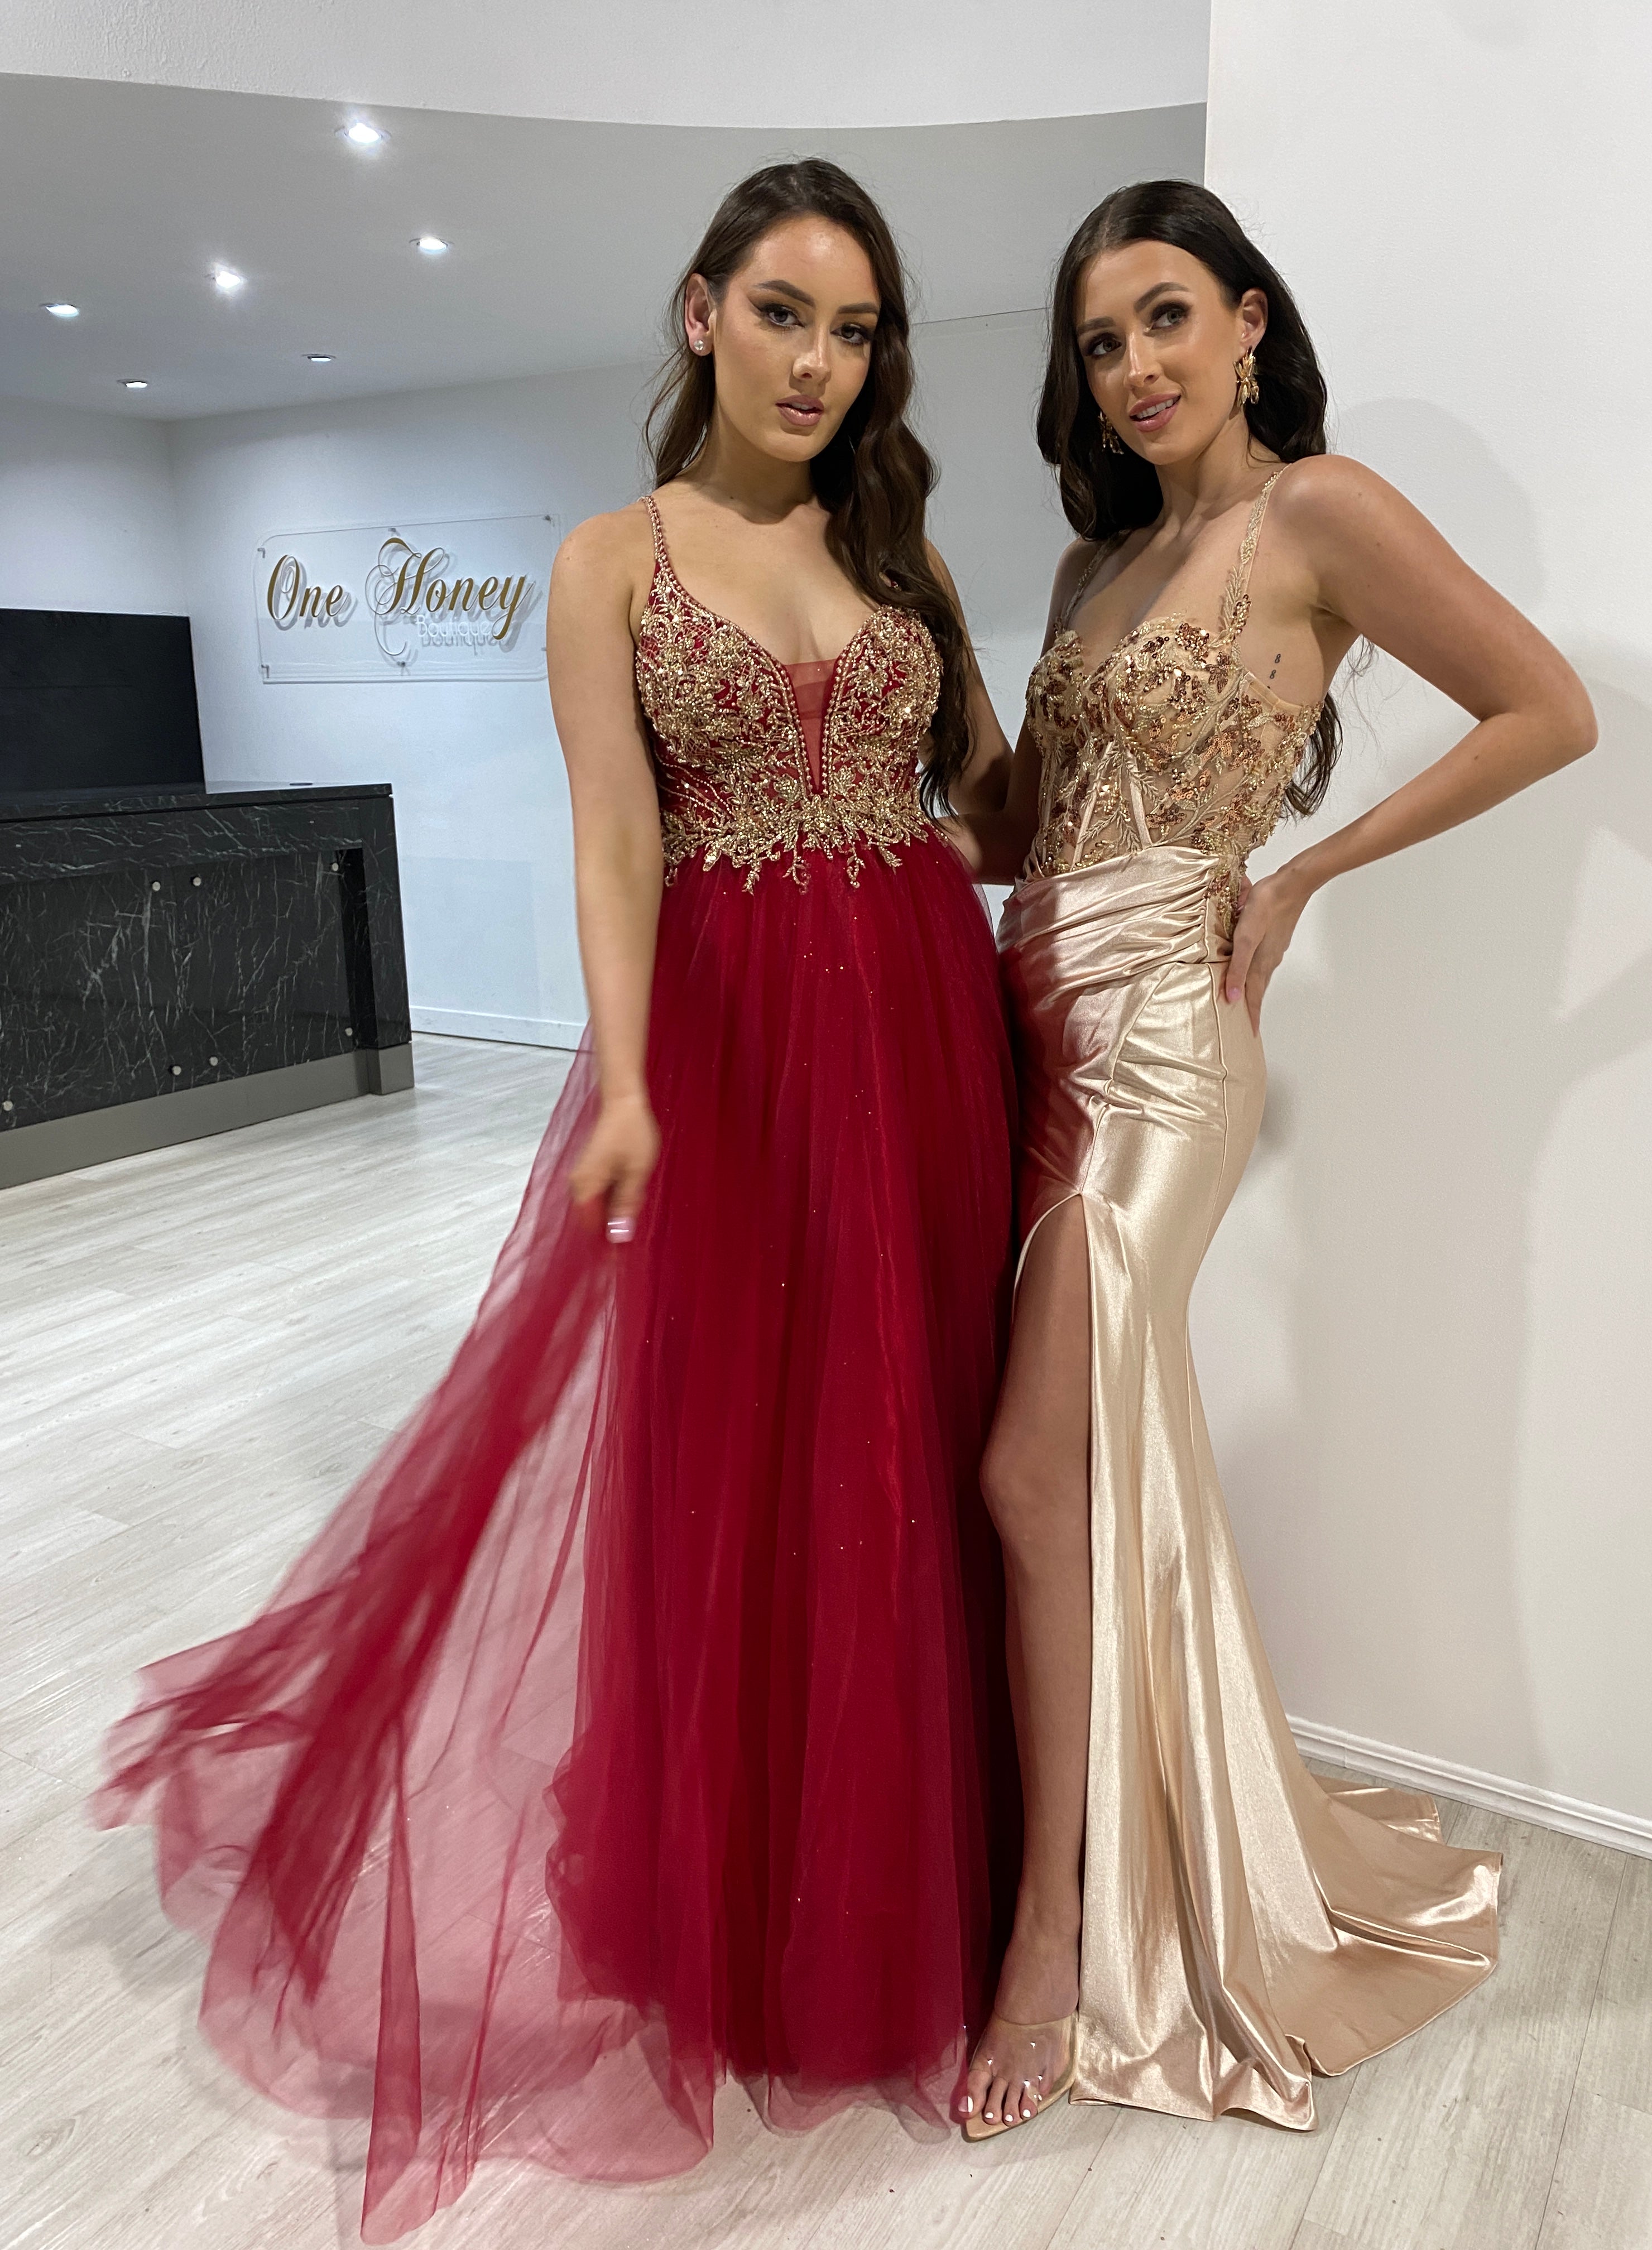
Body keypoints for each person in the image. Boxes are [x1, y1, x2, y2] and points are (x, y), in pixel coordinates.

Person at [94, 160, 1022, 2240]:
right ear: (701, 313)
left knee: (921, 1442)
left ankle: (927, 1878)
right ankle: (757, 1907)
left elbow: (986, 808)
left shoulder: (907, 545)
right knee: (753, 1458)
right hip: (734, 1049)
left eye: (857, 328)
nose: (821, 361)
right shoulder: (609, 561)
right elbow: (620, 841)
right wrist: (619, 1075)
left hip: (919, 1026)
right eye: (787, 312)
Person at [946, 180, 1596, 2139]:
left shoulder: (1319, 512)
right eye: (1098, 340)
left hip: (1166, 1041)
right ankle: (1129, 1822)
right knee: (1088, 1463)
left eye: (1163, 319)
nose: (1133, 367)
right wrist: (912, 634)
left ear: (1247, 323)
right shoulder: (1085, 578)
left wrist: (1307, 871)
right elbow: (1008, 834)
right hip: (1025, 1024)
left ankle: (1054, 1935)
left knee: (1027, 1463)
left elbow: (1548, 710)